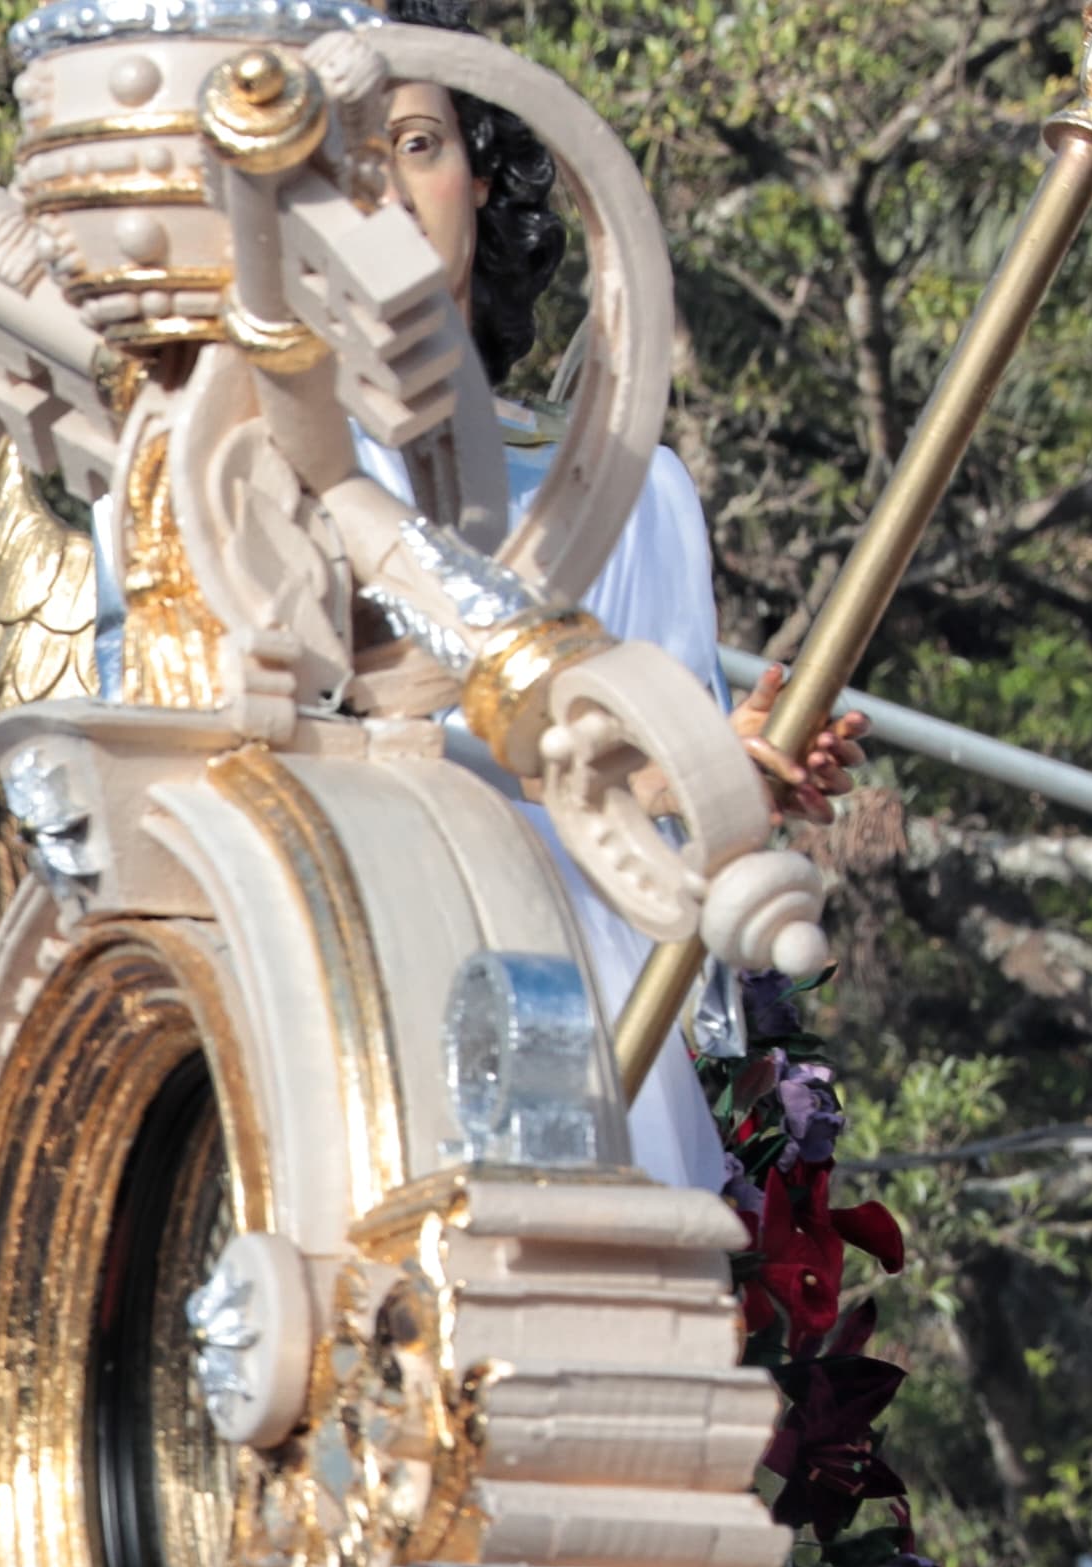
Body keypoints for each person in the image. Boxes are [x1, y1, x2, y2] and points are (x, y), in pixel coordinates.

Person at [368, 0, 865, 1183]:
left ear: (479, 178)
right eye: (342, 159)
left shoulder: (633, 491)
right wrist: (648, 766)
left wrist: (721, 772)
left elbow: (667, 839)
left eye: (417, 143)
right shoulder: (234, 466)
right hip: (352, 997)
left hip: (584, 1038)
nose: (385, 190)